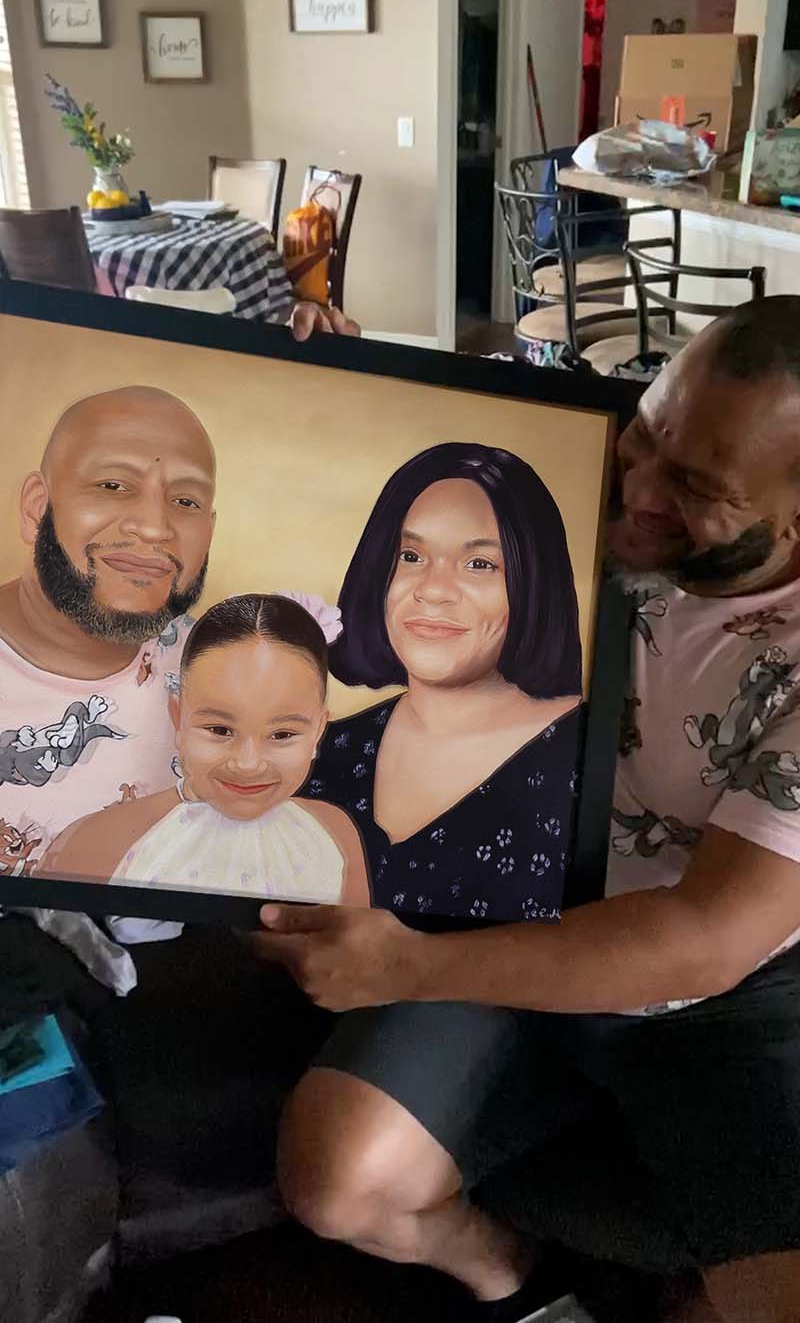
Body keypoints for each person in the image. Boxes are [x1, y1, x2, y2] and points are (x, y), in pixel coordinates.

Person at [256, 297, 800, 1323]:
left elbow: (703, 941)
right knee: (337, 1184)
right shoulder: (586, 461)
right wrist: (331, 379)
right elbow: (424, 467)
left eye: (691, 488)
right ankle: (515, 1280)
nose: (631, 488)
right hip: (511, 892)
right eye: (645, 432)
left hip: (724, 994)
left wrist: (402, 965)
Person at [0, 300, 359, 964]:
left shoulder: (227, 660)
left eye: (185, 501)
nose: (155, 526)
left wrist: (359, 369)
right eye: (113, 484)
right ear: (37, 507)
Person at [311, 443, 582, 922]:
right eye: (411, 555)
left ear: (532, 582)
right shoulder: (320, 751)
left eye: (479, 564)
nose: (432, 590)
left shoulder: (591, 755)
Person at [41, 594, 371, 907]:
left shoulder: (334, 836)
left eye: (282, 734)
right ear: (178, 719)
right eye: (219, 730)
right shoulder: (98, 844)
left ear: (317, 732)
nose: (247, 764)